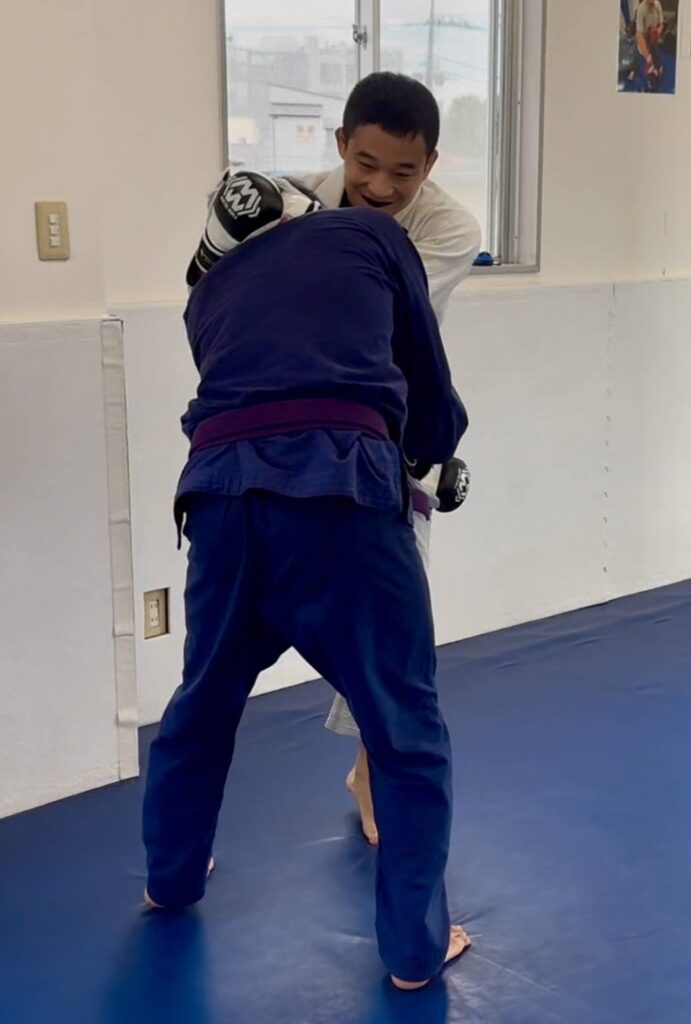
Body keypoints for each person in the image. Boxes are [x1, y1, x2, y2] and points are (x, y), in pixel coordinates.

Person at [143, 175, 471, 988]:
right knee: (403, 726)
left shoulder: (206, 296)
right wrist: (435, 449)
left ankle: (170, 879)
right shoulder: (372, 234)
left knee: (202, 701)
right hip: (338, 498)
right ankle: (413, 953)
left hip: (218, 500)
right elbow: (426, 383)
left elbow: (253, 384)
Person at [299, 72, 481, 841]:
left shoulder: (448, 228)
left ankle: (370, 770)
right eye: (365, 164)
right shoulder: (295, 200)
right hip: (286, 431)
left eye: (402, 172)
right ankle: (182, 835)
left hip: (386, 438)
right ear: (341, 144)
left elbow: (367, 313)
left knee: (394, 618)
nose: (379, 186)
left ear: (429, 165)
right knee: (239, 623)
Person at [635, 0, 665, 86]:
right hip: (643, 44)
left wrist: (657, 31)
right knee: (646, 75)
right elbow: (639, 35)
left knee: (660, 70)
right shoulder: (641, 9)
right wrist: (648, 58)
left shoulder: (658, 5)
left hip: (653, 43)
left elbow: (661, 24)